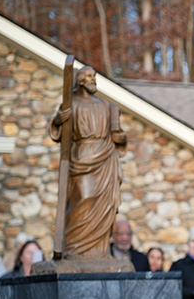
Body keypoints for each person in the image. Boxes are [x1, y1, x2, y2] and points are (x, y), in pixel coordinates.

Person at [48, 65, 127, 257]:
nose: (93, 80)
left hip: (105, 156)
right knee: (84, 197)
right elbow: (58, 131)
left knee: (105, 205)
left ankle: (98, 252)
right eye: (89, 76)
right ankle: (72, 248)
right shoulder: (70, 104)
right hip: (82, 154)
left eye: (94, 76)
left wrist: (121, 138)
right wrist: (58, 120)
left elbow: (117, 133)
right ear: (80, 81)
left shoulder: (104, 105)